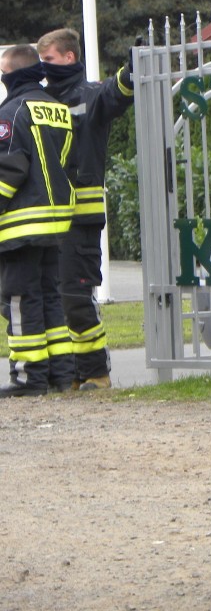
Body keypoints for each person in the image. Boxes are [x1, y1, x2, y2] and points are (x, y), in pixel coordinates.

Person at [36, 28, 135, 391]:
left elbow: (119, 93)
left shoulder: (91, 96)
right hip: (46, 218)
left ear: (69, 57)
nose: (43, 67)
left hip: (80, 219)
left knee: (76, 298)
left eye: (48, 60)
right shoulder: (39, 99)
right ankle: (74, 374)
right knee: (55, 301)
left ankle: (96, 372)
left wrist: (131, 70)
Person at [0, 45, 76, 397]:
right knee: (49, 297)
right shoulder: (59, 109)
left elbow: (9, 167)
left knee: (20, 298)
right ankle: (59, 375)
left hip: (21, 223)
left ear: (13, 75)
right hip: (56, 221)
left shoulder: (11, 112)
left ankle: (29, 377)